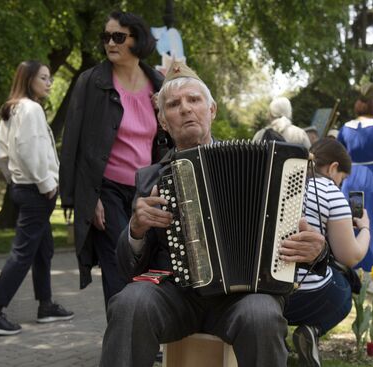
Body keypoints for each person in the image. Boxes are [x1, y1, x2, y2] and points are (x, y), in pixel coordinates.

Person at [99, 62, 326, 367]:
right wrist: (136, 231)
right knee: (129, 302)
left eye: (194, 100)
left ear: (212, 110)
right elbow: (128, 268)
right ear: (163, 121)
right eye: (174, 105)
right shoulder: (150, 179)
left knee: (262, 315)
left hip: (242, 298)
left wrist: (317, 251)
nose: (185, 109)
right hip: (175, 296)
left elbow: (302, 241)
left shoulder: (268, 167)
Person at [59, 11, 168, 308]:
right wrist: (87, 196)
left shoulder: (158, 84)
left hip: (145, 190)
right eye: (105, 37)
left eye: (118, 37)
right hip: (105, 190)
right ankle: (123, 340)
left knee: (148, 265)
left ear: (138, 40)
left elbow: (167, 142)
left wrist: (167, 109)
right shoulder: (91, 82)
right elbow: (73, 145)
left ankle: (143, 332)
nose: (110, 43)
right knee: (118, 264)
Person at [0, 60, 73, 336]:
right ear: (28, 79)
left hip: (25, 189)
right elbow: (28, 149)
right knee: (23, 251)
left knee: (44, 247)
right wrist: (45, 183)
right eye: (44, 78)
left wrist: (13, 178)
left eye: (50, 78)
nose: (49, 83)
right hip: (38, 191)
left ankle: (46, 305)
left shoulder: (12, 108)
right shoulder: (31, 108)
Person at [284, 138, 370, 367]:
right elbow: (350, 256)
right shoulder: (330, 192)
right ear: (333, 168)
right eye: (342, 177)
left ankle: (276, 333)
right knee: (343, 288)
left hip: (269, 291)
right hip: (304, 295)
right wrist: (365, 228)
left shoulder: (286, 180)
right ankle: (312, 329)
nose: (340, 183)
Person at [337, 83, 373, 271]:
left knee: (355, 219)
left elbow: (339, 154)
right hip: (372, 180)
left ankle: (354, 262)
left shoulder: (346, 128)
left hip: (352, 179)